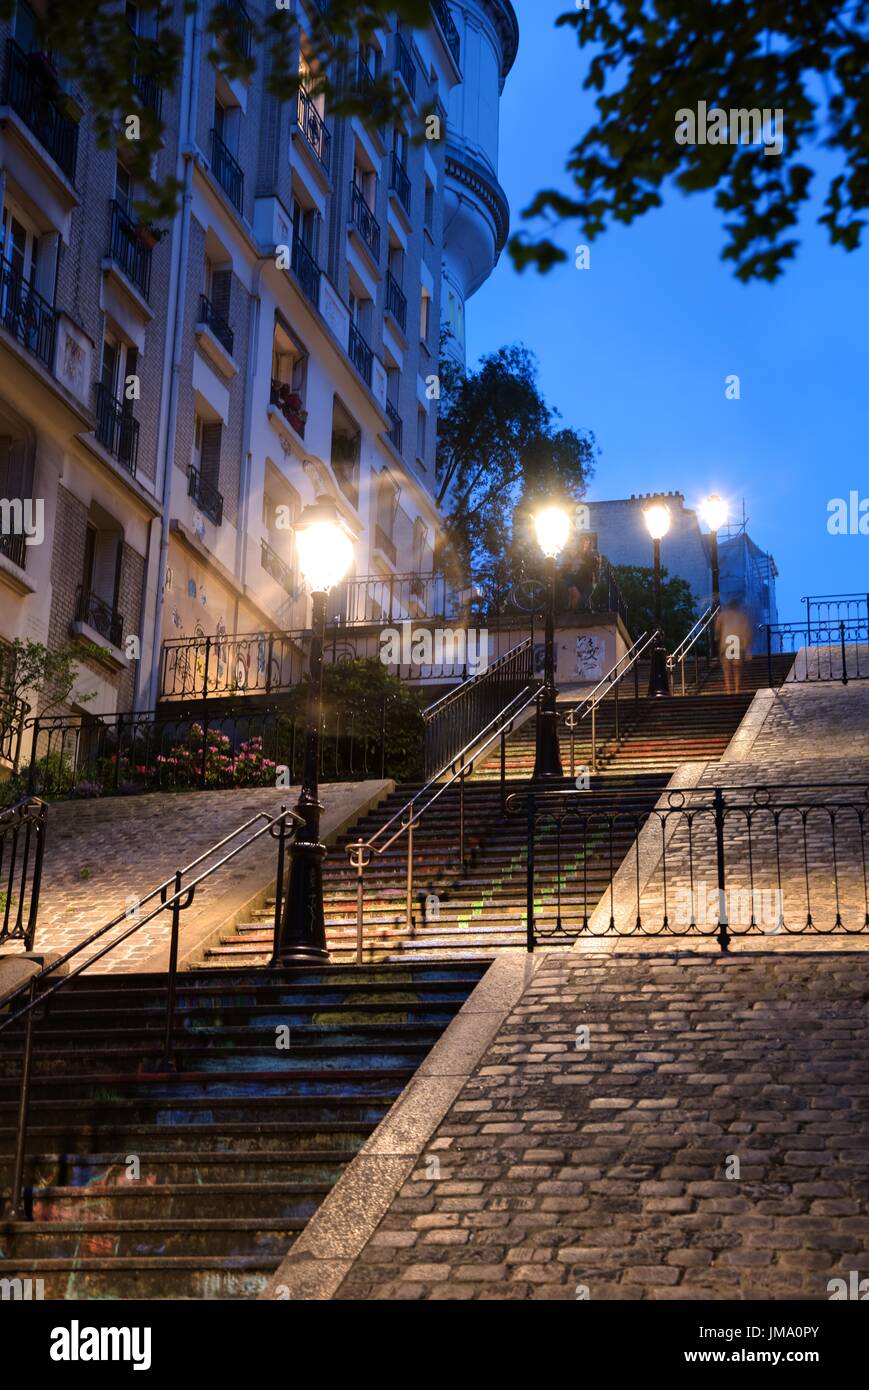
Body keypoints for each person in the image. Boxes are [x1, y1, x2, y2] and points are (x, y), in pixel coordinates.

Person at [715, 600, 753, 693]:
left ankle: (728, 689)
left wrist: (716, 637)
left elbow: (717, 629)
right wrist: (747, 648)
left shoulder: (722, 615)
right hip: (738, 643)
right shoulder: (742, 617)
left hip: (726, 642)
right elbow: (747, 632)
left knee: (727, 668)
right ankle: (737, 688)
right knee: (737, 667)